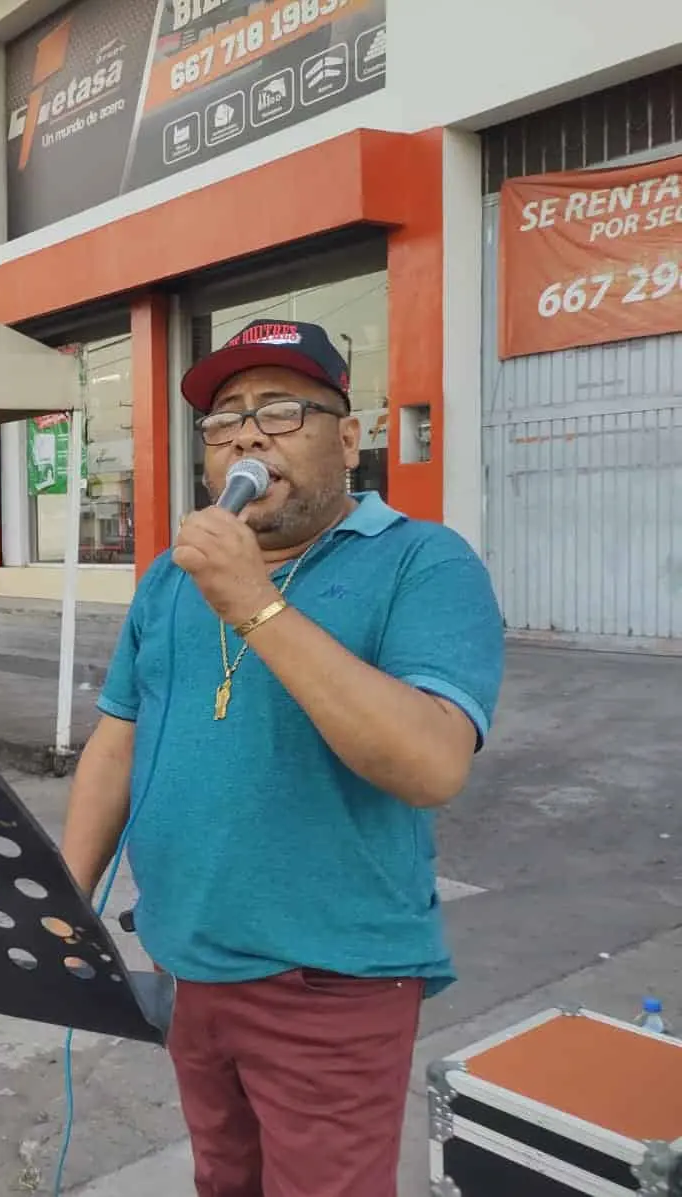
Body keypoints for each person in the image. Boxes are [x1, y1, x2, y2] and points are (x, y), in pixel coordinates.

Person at [58, 319, 505, 1197]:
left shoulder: (424, 562)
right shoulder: (168, 578)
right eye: (224, 418)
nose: (249, 434)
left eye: (281, 409)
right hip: (186, 964)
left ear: (349, 436)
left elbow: (432, 763)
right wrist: (61, 906)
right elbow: (119, 739)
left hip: (329, 982)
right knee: (224, 1179)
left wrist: (255, 603)